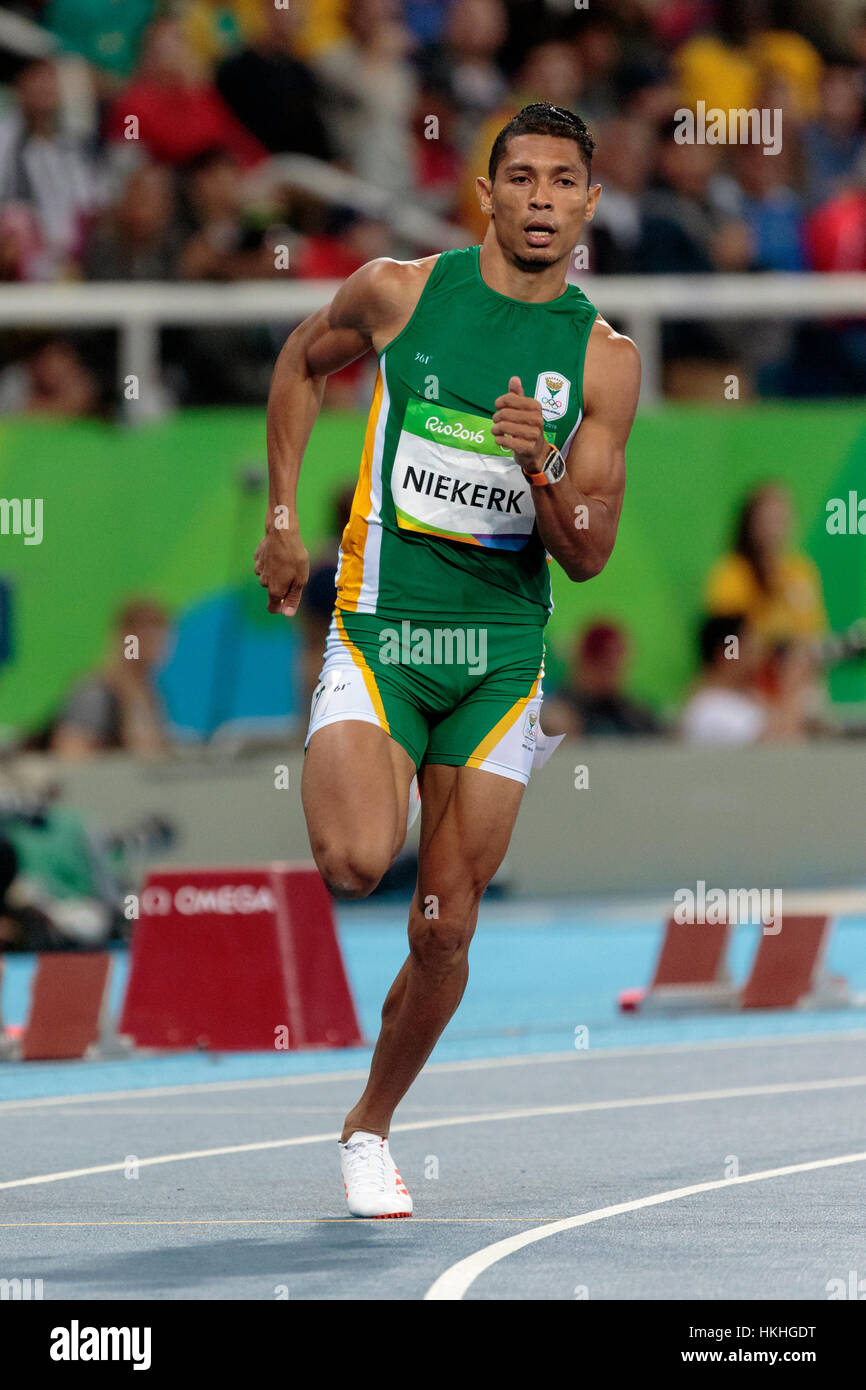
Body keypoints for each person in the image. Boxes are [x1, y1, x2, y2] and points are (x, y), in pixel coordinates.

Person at [255, 102, 641, 1217]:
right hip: (382, 631)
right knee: (351, 860)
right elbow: (297, 362)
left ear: (586, 203)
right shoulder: (400, 292)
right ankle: (358, 742)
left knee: (446, 924)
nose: (537, 198)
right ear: (485, 193)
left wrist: (539, 472)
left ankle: (369, 1126)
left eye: (560, 181)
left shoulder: (602, 361)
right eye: (517, 177)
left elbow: (589, 554)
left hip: (497, 659)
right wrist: (282, 518)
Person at [705, 483, 826, 649]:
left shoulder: (801, 571)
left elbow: (815, 634)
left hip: (797, 669)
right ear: (751, 522)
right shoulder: (732, 573)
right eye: (769, 519)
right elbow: (728, 645)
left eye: (782, 518)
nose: (776, 529)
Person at [51, 599, 172, 758]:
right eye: (146, 635)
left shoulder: (148, 691)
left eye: (160, 635)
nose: (156, 644)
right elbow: (71, 754)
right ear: (126, 637)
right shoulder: (97, 694)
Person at [681, 613, 814, 744]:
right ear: (728, 653)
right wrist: (792, 686)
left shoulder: (748, 697)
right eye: (749, 647)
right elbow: (775, 747)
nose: (757, 656)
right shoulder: (709, 709)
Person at [542, 621, 663, 737]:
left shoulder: (631, 713)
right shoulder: (557, 711)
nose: (608, 675)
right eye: (600, 666)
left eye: (613, 668)